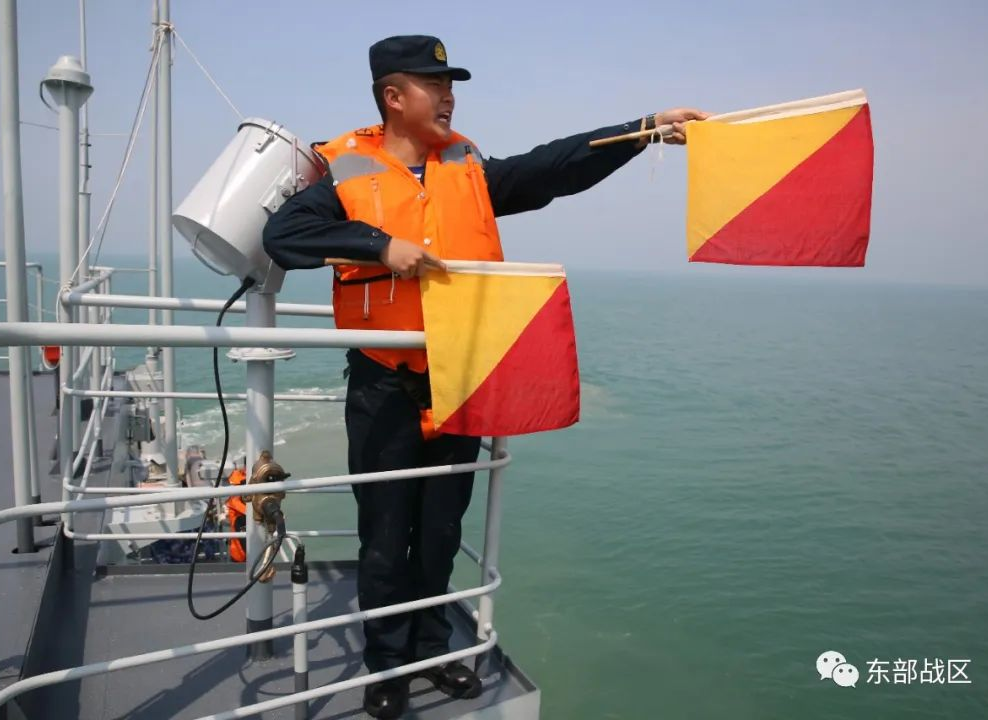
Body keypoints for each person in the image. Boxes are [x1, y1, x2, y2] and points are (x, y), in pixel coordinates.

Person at [263, 34, 708, 719]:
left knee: (441, 530)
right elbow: (284, 237)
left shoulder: (467, 167)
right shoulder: (345, 173)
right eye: (435, 84)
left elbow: (552, 167)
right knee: (384, 537)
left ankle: (433, 651)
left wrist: (645, 129)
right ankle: (387, 666)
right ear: (393, 96)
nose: (449, 97)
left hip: (462, 376)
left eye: (451, 85)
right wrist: (379, 244)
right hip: (382, 384)